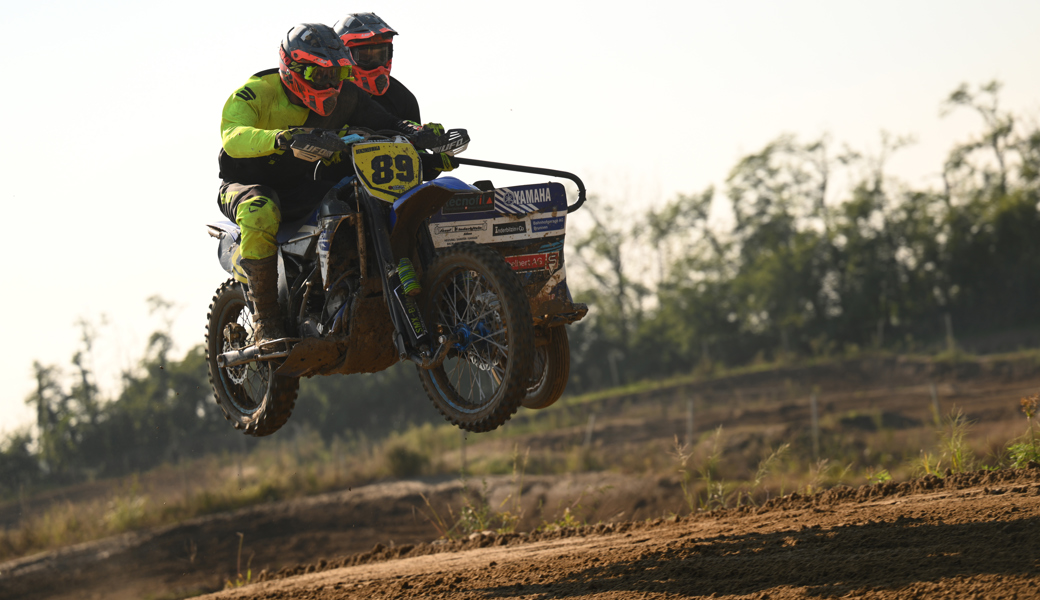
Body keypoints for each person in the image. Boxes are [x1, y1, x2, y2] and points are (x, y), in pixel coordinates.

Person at [217, 23, 439, 345]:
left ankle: (339, 292)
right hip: (245, 184)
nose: (330, 83)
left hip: (298, 184)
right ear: (291, 68)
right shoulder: (257, 92)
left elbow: (386, 122)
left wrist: (418, 133)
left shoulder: (347, 96)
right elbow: (232, 136)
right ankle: (266, 319)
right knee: (260, 210)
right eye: (319, 75)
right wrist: (280, 138)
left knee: (352, 198)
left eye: (336, 75)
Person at [333, 12, 457, 178]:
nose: (375, 62)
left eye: (381, 54)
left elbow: (418, 166)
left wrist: (436, 161)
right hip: (334, 185)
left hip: (389, 192)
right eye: (365, 56)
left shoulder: (403, 98)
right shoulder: (327, 95)